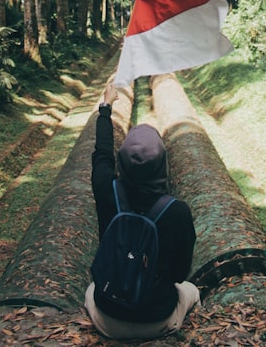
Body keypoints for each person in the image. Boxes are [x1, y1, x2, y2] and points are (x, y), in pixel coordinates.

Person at [85, 81, 200, 340]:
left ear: (122, 162)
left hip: (107, 317)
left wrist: (106, 106)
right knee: (191, 290)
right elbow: (180, 274)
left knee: (91, 288)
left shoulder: (106, 189)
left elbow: (101, 152)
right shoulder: (178, 212)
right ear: (162, 164)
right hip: (156, 319)